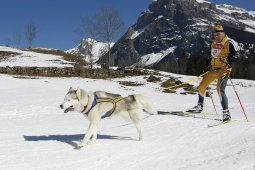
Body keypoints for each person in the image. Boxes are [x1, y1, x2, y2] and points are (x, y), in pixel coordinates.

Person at [188, 24, 240, 121]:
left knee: (220, 90)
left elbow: (237, 55)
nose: (217, 35)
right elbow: (210, 56)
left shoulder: (230, 42)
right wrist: (206, 67)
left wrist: (229, 61)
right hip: (213, 69)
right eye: (215, 33)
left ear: (224, 33)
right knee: (202, 86)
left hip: (223, 70)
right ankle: (199, 106)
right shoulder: (213, 43)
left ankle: (226, 113)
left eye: (219, 33)